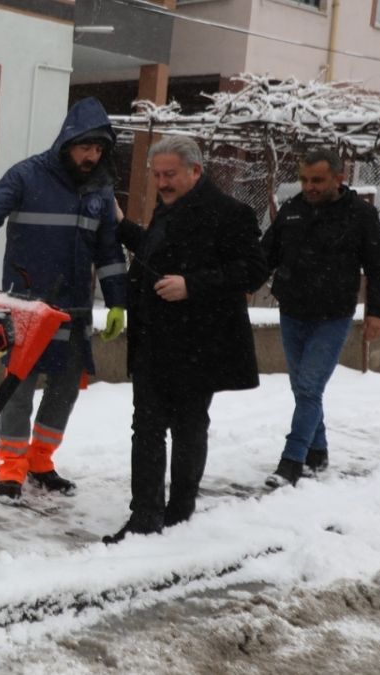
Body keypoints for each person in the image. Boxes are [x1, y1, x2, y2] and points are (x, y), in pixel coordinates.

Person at [0, 97, 128, 503]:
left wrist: (118, 301)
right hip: (26, 309)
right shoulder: (28, 175)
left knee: (65, 390)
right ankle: (11, 470)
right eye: (86, 147)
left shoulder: (100, 190)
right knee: (18, 390)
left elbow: (109, 252)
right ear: (68, 142)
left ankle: (41, 462)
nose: (92, 156)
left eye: (99, 150)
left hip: (74, 311)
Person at [103, 136, 267, 544]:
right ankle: (144, 517)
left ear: (196, 170)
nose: (162, 182)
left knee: (189, 428)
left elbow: (251, 271)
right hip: (154, 341)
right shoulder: (167, 209)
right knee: (146, 428)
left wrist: (192, 285)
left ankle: (179, 512)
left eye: (170, 174)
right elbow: (155, 254)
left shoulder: (231, 214)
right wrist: (123, 226)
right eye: (157, 175)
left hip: (199, 345)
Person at [260, 148, 380, 488]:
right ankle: (317, 451)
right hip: (292, 312)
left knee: (308, 386)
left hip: (332, 316)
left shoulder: (360, 215)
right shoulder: (292, 210)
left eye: (317, 180)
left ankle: (291, 462)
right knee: (302, 387)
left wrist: (377, 312)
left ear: (339, 177)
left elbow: (379, 267)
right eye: (304, 180)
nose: (310, 187)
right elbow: (265, 255)